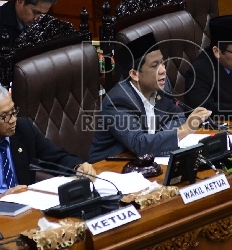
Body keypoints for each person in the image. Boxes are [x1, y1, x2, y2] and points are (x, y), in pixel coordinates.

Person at [0, 85, 97, 211]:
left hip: (29, 208)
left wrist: (77, 166)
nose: (13, 120)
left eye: (13, 112)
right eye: (5, 116)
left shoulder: (24, 130)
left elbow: (55, 156)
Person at [88, 32, 211, 162]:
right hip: (108, 168)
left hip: (146, 161)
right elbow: (140, 143)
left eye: (162, 63)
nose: (163, 70)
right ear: (135, 74)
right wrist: (183, 130)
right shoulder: (118, 101)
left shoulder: (162, 84)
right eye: (155, 66)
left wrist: (160, 137)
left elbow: (177, 116)